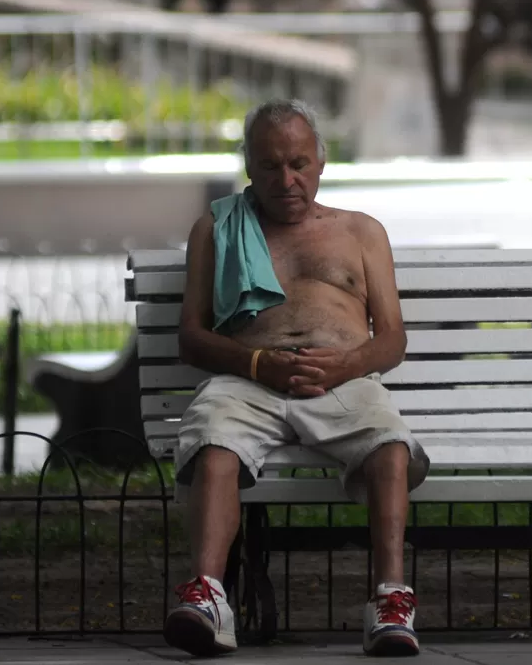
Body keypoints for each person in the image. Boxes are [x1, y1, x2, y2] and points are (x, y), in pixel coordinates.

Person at [164, 98, 429, 658]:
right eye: (270, 166)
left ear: (321, 163)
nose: (286, 180)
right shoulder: (217, 229)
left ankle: (389, 601)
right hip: (247, 378)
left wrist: (347, 363)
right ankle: (208, 595)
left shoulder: (361, 232)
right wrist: (259, 364)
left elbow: (392, 341)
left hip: (344, 379)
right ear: (248, 167)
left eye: (299, 164)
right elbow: (191, 338)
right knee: (215, 441)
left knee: (390, 445)